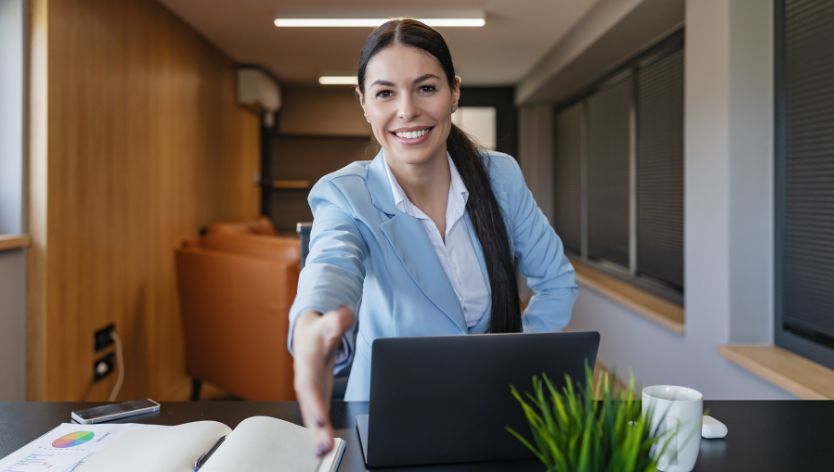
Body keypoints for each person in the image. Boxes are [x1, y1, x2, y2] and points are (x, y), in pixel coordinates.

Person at [288, 18, 579, 456]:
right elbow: (332, 262)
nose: (407, 110)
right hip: (386, 422)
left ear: (454, 92)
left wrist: (517, 361)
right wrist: (312, 324)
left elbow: (556, 283)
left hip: (495, 412)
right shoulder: (345, 194)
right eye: (385, 93)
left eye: (426, 88)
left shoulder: (500, 177)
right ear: (364, 103)